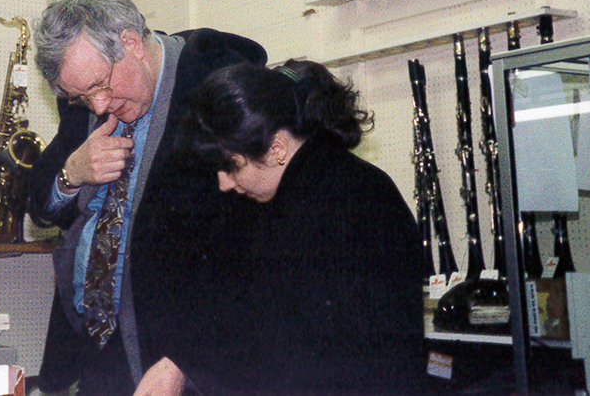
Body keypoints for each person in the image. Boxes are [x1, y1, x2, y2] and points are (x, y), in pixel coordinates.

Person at [135, 60, 426, 396]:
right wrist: (180, 362)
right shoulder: (285, 194)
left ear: (276, 149)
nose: (224, 183)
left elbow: (308, 354)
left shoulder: (349, 201)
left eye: (231, 166)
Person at [25, 0, 266, 396]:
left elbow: (247, 253)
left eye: (100, 86)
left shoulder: (218, 89)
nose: (98, 105)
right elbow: (39, 204)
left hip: (178, 357)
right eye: (82, 97)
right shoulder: (89, 96)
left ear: (132, 43)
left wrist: (186, 360)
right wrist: (73, 173)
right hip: (96, 348)